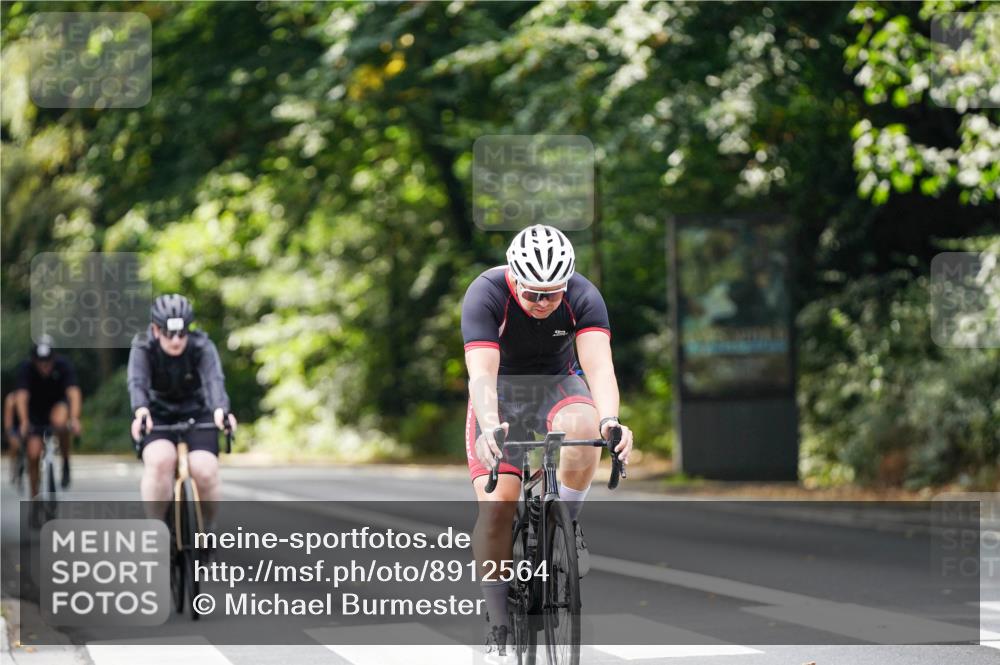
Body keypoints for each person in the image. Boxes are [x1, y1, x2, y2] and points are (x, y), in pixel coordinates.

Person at [461, 224, 634, 660]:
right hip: (501, 395)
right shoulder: (485, 294)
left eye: (551, 294)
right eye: (532, 293)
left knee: (586, 425)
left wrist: (612, 420)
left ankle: (566, 524)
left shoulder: (583, 296)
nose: (542, 303)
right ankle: (499, 620)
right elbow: (481, 374)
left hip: (558, 385)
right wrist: (488, 425)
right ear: (514, 279)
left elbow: (598, 368)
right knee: (498, 506)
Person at [128, 294, 236, 523]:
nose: (176, 340)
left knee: (205, 469)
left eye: (182, 333)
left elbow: (214, 380)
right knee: (159, 461)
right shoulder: (143, 347)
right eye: (169, 333)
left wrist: (221, 410)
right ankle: (156, 530)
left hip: (196, 412)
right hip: (157, 413)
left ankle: (207, 531)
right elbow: (137, 383)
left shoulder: (202, 345)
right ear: (155, 330)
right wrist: (141, 412)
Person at [12, 335, 82, 494]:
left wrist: (75, 418)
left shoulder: (63, 365)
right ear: (34, 360)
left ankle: (65, 461)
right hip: (35, 411)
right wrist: (23, 422)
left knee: (61, 422)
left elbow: (73, 393)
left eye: (48, 362)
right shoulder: (26, 368)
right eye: (40, 362)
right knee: (33, 453)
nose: (45, 366)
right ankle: (34, 496)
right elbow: (21, 397)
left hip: (57, 406)